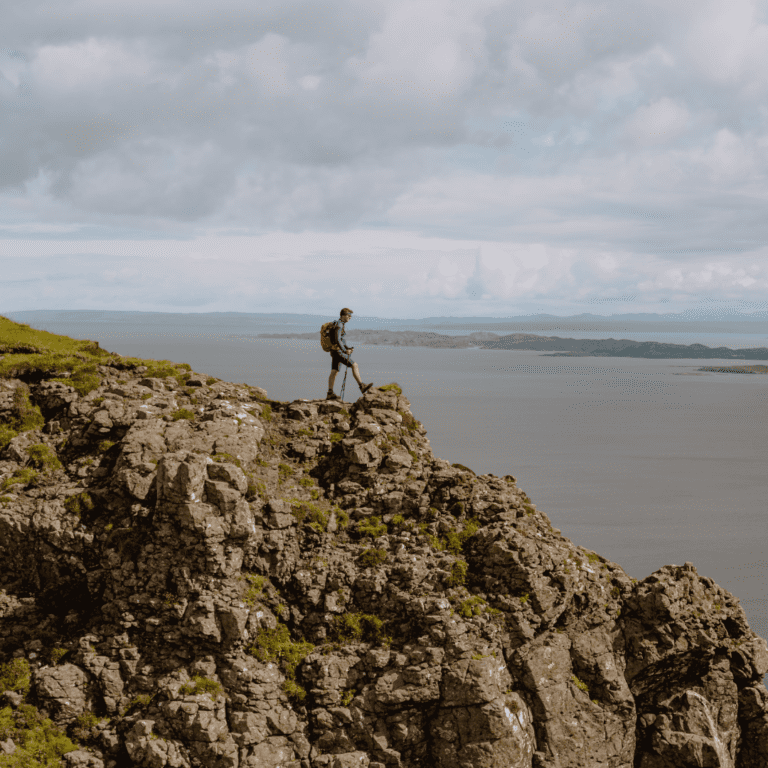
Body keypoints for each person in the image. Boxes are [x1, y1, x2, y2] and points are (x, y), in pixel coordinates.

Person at [327, 308, 373, 400]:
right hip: (338, 352)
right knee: (354, 365)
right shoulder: (339, 325)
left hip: (334, 351)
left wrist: (347, 348)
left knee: (334, 371)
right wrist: (345, 350)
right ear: (343, 315)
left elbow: (338, 340)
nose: (350, 317)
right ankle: (362, 386)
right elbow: (338, 340)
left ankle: (330, 393)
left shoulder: (337, 324)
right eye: (349, 316)